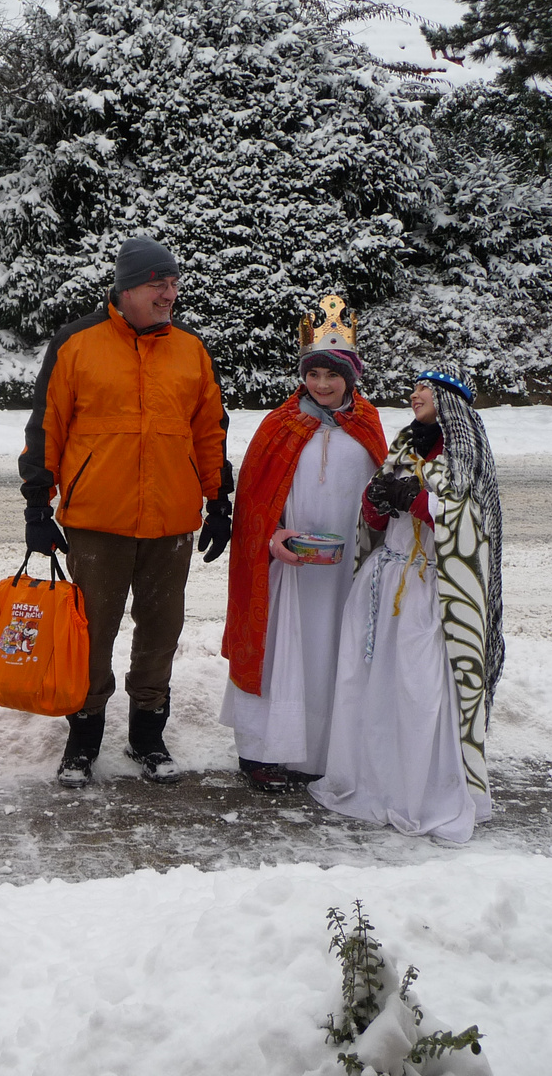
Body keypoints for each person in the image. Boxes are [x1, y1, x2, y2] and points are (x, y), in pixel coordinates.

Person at [20, 236, 233, 787]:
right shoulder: (77, 343)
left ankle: (147, 734)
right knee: (92, 633)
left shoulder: (191, 348)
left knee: (161, 628)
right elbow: (47, 426)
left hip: (172, 520)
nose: (170, 293)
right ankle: (83, 737)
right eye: (158, 283)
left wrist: (218, 501)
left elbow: (209, 429)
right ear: (127, 289)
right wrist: (38, 508)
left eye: (173, 282)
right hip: (96, 519)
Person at [310, 362, 504, 842]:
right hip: (385, 581)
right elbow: (375, 523)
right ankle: (373, 780)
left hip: (430, 592)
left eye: (425, 388)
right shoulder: (403, 445)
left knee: (420, 691)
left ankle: (423, 790)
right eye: (413, 386)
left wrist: (418, 498)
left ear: (450, 401)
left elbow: (468, 522)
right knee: (373, 684)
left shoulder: (467, 457)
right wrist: (377, 500)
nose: (415, 394)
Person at [219, 296, 387, 792]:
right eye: (313, 374)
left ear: (350, 376)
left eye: (332, 375)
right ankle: (261, 754)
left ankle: (321, 752)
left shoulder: (369, 427)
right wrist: (272, 539)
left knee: (334, 651)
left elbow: (383, 498)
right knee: (280, 653)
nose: (322, 384)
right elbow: (253, 506)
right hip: (287, 570)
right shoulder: (279, 425)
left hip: (343, 575)